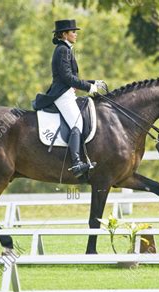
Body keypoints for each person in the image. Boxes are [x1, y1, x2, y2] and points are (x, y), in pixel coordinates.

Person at [33, 19, 106, 177]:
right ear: (64, 34)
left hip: (66, 92)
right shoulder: (62, 50)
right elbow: (67, 78)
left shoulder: (65, 49)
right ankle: (76, 163)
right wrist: (89, 88)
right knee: (77, 123)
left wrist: (93, 82)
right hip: (62, 94)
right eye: (73, 32)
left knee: (78, 122)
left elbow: (72, 76)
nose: (75, 34)